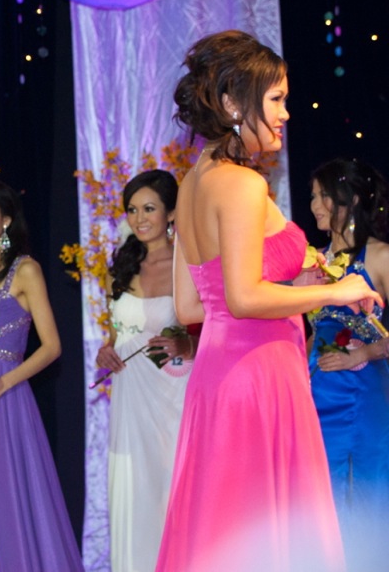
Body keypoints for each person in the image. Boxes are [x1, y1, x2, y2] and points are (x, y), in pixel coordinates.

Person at [157, 29, 381, 571]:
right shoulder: (241, 184)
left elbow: (192, 309)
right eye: (276, 99)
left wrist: (298, 290)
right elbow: (242, 296)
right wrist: (339, 288)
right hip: (259, 377)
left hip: (222, 375)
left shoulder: (192, 183)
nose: (285, 113)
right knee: (263, 531)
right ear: (234, 103)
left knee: (232, 527)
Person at [0, 178, 83, 571]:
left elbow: (52, 347)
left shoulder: (24, 270)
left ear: (6, 220)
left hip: (8, 398)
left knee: (8, 495)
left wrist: (3, 386)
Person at [94, 170, 195, 572]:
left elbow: (218, 322)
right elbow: (119, 329)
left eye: (149, 208)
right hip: (131, 393)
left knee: (173, 483)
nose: (139, 218)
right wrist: (107, 349)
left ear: (171, 213)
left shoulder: (188, 261)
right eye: (132, 209)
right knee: (134, 489)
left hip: (175, 392)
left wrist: (190, 343)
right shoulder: (125, 258)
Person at [306, 158, 389, 572]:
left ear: (351, 199)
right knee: (320, 501)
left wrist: (362, 354)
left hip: (360, 399)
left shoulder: (379, 257)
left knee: (364, 495)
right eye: (313, 196)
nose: (315, 205)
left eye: (323, 196)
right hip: (314, 398)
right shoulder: (315, 263)